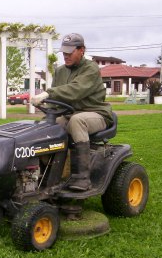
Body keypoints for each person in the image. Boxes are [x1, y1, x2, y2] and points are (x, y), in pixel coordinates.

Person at [31, 33, 113, 191]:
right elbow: (58, 102)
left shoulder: (91, 68)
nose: (65, 55)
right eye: (64, 52)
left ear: (81, 50)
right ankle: (49, 173)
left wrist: (48, 93)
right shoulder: (60, 71)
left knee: (77, 121)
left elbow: (75, 90)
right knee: (46, 127)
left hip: (96, 113)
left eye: (70, 51)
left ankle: (83, 177)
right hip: (70, 113)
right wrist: (48, 115)